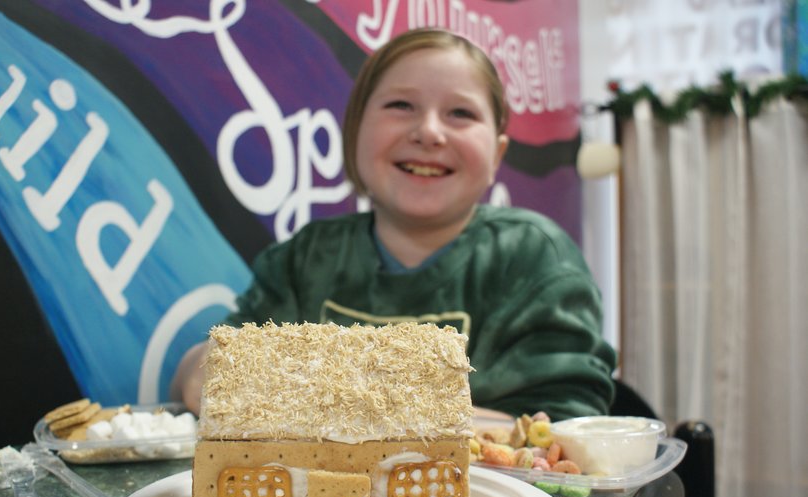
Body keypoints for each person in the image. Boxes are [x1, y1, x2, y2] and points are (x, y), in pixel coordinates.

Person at [171, 28, 616, 419]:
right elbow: (207, 373)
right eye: (401, 105)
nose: (428, 132)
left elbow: (563, 423)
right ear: (356, 133)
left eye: (460, 113)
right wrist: (199, 370)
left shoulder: (534, 260)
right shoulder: (304, 261)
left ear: (497, 154)